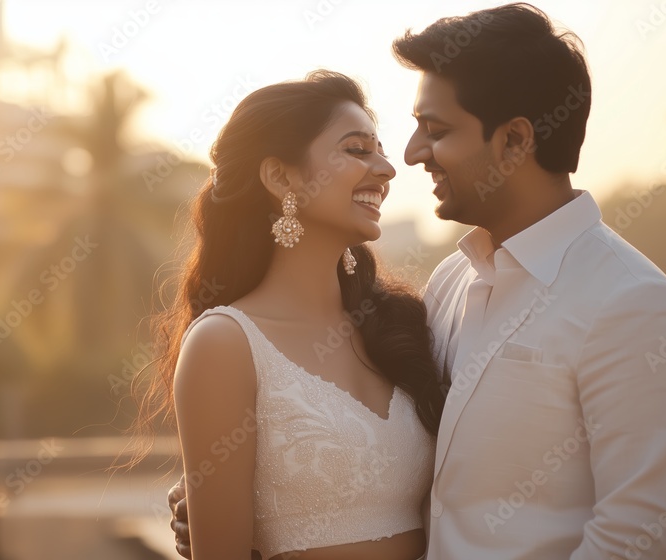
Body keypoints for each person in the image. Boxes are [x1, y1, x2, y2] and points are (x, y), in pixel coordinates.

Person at [170, 4, 666, 559]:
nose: (407, 157)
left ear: (514, 140)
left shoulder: (638, 308)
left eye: (437, 130)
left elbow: (634, 542)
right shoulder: (448, 286)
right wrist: (234, 497)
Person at [142, 70, 446, 560]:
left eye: (380, 149)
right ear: (280, 176)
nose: (387, 169)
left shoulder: (401, 327)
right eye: (356, 149)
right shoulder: (225, 344)